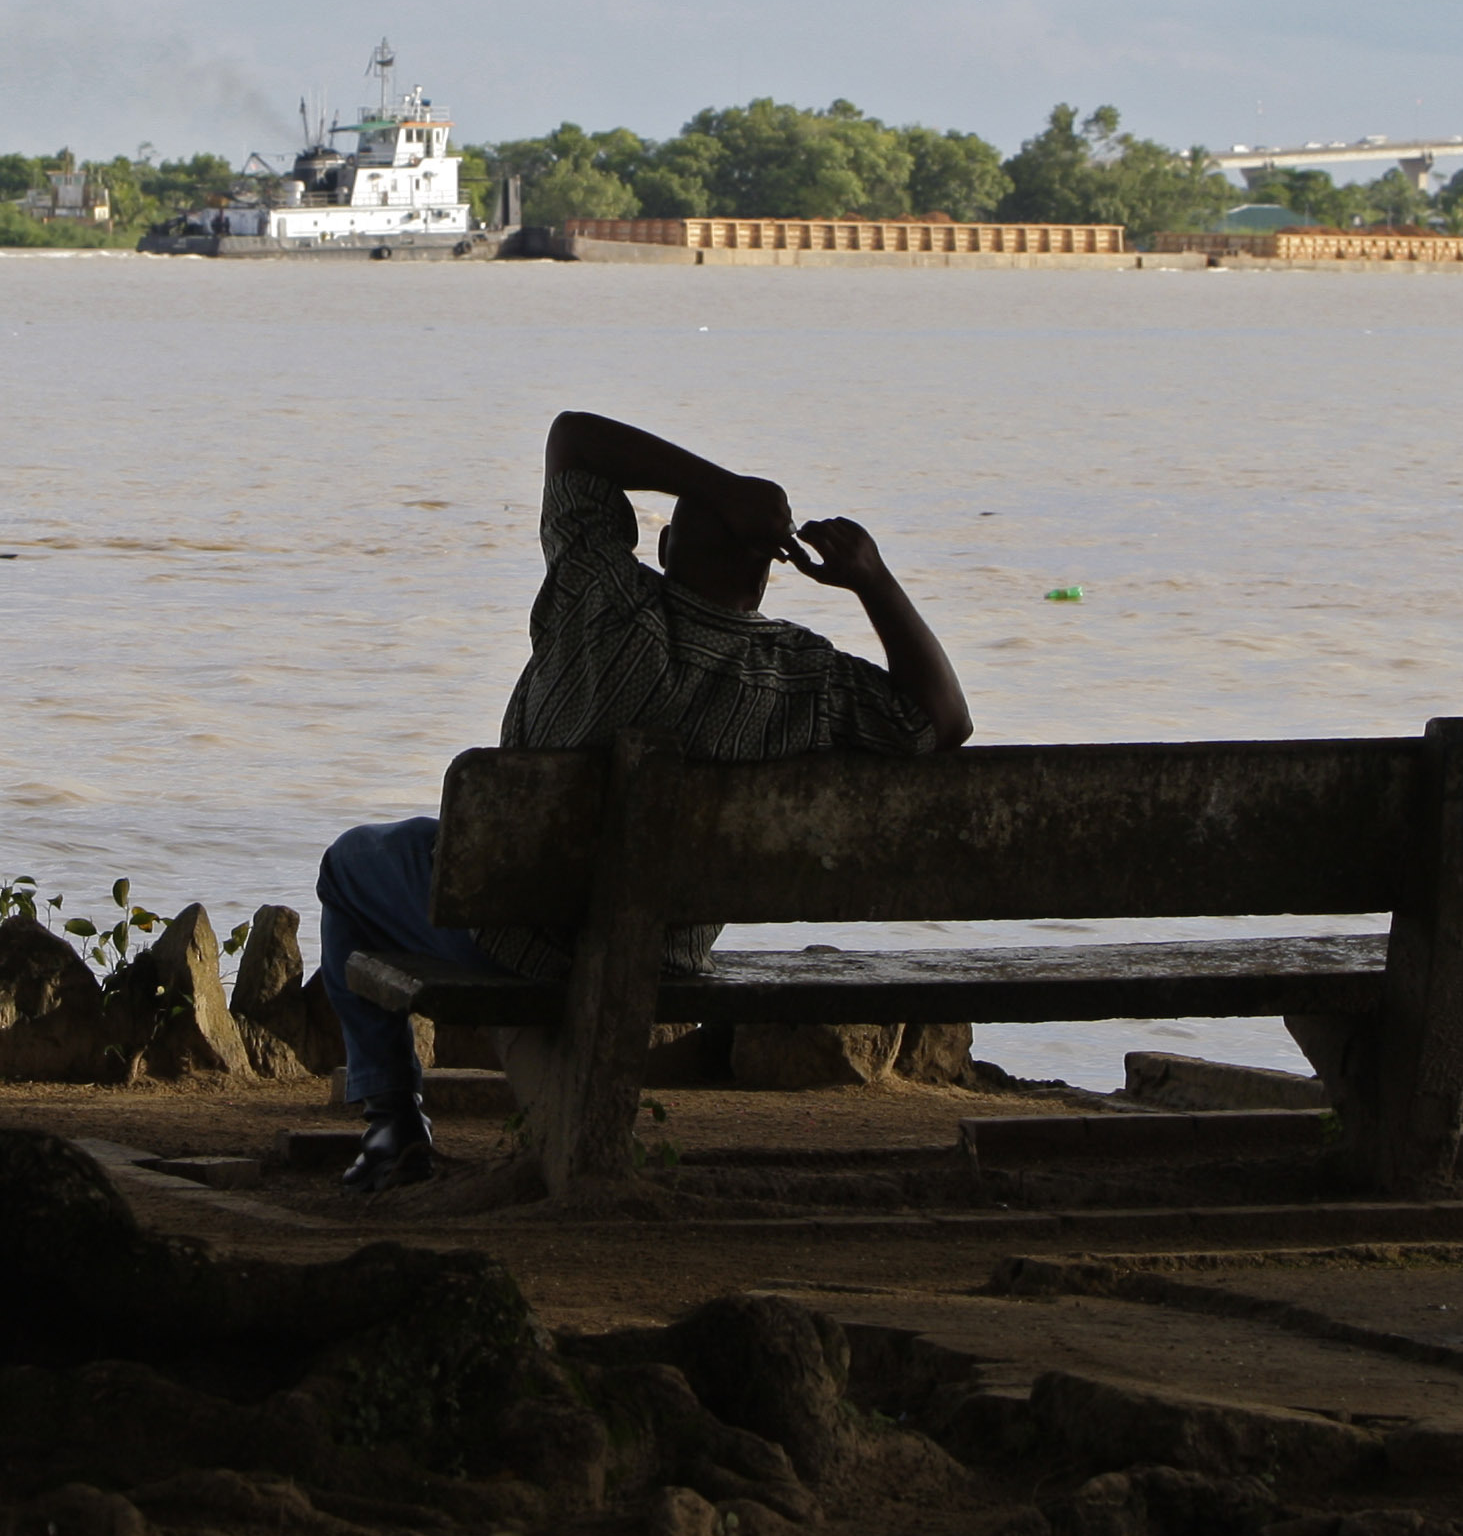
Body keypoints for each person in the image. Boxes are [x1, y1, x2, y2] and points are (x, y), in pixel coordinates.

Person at [313, 409, 972, 1191]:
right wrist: (871, 577)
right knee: (442, 859)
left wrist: (718, 487)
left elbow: (573, 439)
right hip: (666, 958)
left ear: (661, 548)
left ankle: (393, 1122)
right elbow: (944, 721)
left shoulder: (603, 598)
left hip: (515, 934)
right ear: (769, 572)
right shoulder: (802, 678)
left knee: (349, 867)